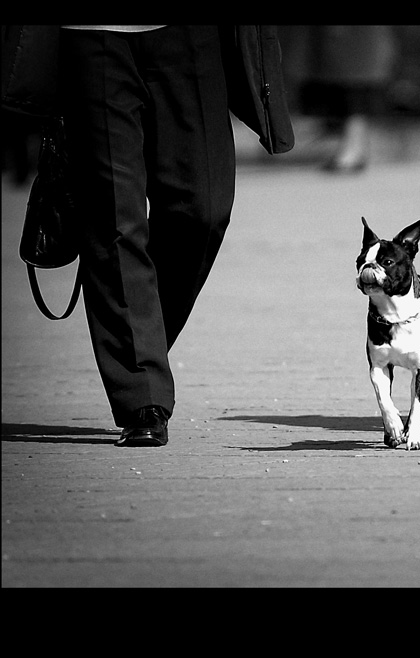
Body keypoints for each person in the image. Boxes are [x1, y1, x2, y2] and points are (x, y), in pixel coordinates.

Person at [2, 25, 294, 446]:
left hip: (190, 39)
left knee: (203, 209)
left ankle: (140, 343)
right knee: (114, 217)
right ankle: (141, 394)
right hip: (93, 37)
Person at [299, 25, 397, 172]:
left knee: (355, 93)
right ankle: (353, 148)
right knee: (350, 93)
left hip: (357, 47)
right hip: (350, 49)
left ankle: (353, 150)